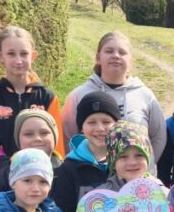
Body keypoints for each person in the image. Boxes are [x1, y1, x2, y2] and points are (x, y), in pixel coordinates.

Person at [0, 26, 65, 197]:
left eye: (24, 54)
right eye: (11, 54)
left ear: (33, 56)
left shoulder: (48, 97)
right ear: (0, 56)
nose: (18, 60)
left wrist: (55, 185)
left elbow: (57, 149)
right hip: (4, 184)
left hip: (39, 184)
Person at [60, 31, 166, 165]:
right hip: (89, 174)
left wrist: (144, 166)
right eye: (109, 51)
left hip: (135, 174)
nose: (116, 56)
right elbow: (67, 137)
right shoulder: (78, 95)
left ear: (130, 60)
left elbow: (158, 137)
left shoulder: (145, 96)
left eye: (122, 52)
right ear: (98, 57)